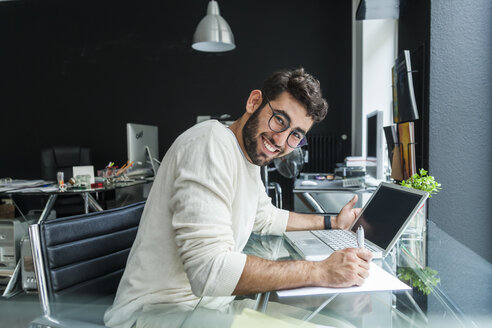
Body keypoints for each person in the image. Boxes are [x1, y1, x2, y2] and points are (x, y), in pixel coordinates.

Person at [104, 68, 373, 328]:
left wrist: (332, 223)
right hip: (157, 315)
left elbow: (266, 218)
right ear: (254, 101)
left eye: (295, 136)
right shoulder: (210, 143)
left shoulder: (247, 159)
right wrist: (320, 271)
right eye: (280, 119)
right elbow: (209, 270)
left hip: (209, 307)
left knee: (336, 324)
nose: (280, 141)